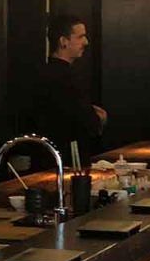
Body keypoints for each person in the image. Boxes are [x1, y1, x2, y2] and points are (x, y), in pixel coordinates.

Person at [32, 14, 105, 159]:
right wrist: (99, 117)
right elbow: (85, 122)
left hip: (44, 155)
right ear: (63, 41)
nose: (86, 42)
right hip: (67, 157)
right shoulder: (68, 78)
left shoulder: (40, 74)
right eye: (80, 37)